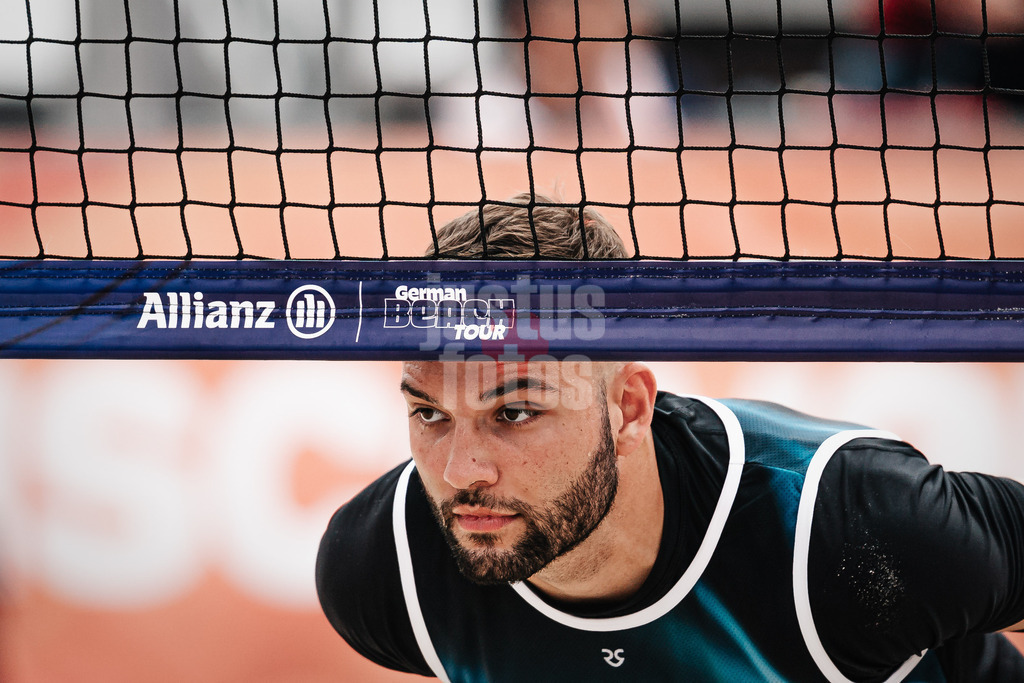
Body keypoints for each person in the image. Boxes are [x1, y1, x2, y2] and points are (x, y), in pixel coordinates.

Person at [316, 195, 1024, 682]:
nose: (460, 470)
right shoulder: (387, 568)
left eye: (515, 413)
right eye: (430, 414)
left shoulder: (842, 525)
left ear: (627, 409)